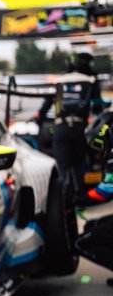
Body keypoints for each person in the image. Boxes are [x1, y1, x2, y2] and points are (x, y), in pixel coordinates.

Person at [38, 52, 103, 194]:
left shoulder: (59, 81)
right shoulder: (91, 81)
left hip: (60, 128)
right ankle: (79, 196)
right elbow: (99, 108)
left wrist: (38, 123)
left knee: (62, 167)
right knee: (79, 165)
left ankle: (62, 198)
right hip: (81, 129)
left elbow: (44, 108)